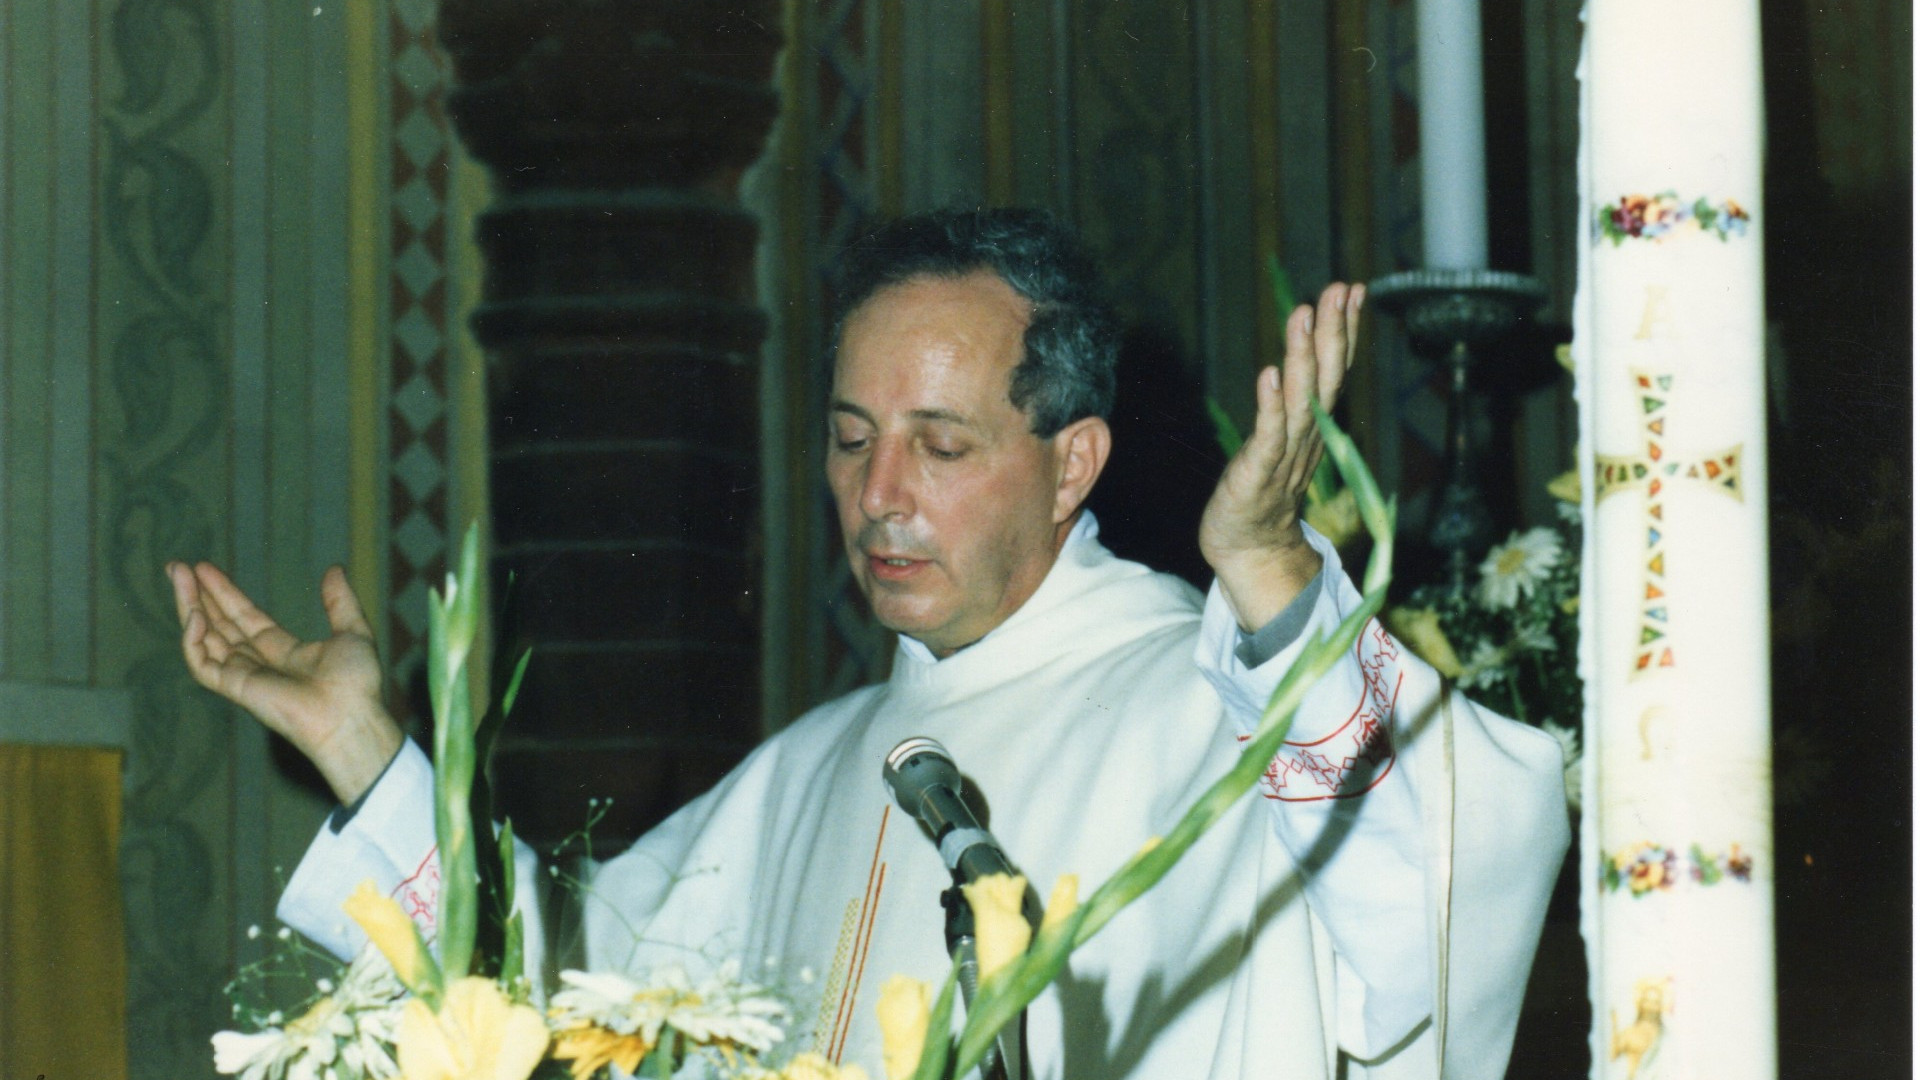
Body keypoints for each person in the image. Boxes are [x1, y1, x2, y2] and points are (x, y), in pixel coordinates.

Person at [170, 209, 1567, 1078]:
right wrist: (363, 748)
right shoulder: (806, 772)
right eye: (851, 440)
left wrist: (1271, 576)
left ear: (1072, 460)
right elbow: (564, 1003)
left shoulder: (1223, 705)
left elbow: (1457, 867)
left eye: (940, 445)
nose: (879, 496)